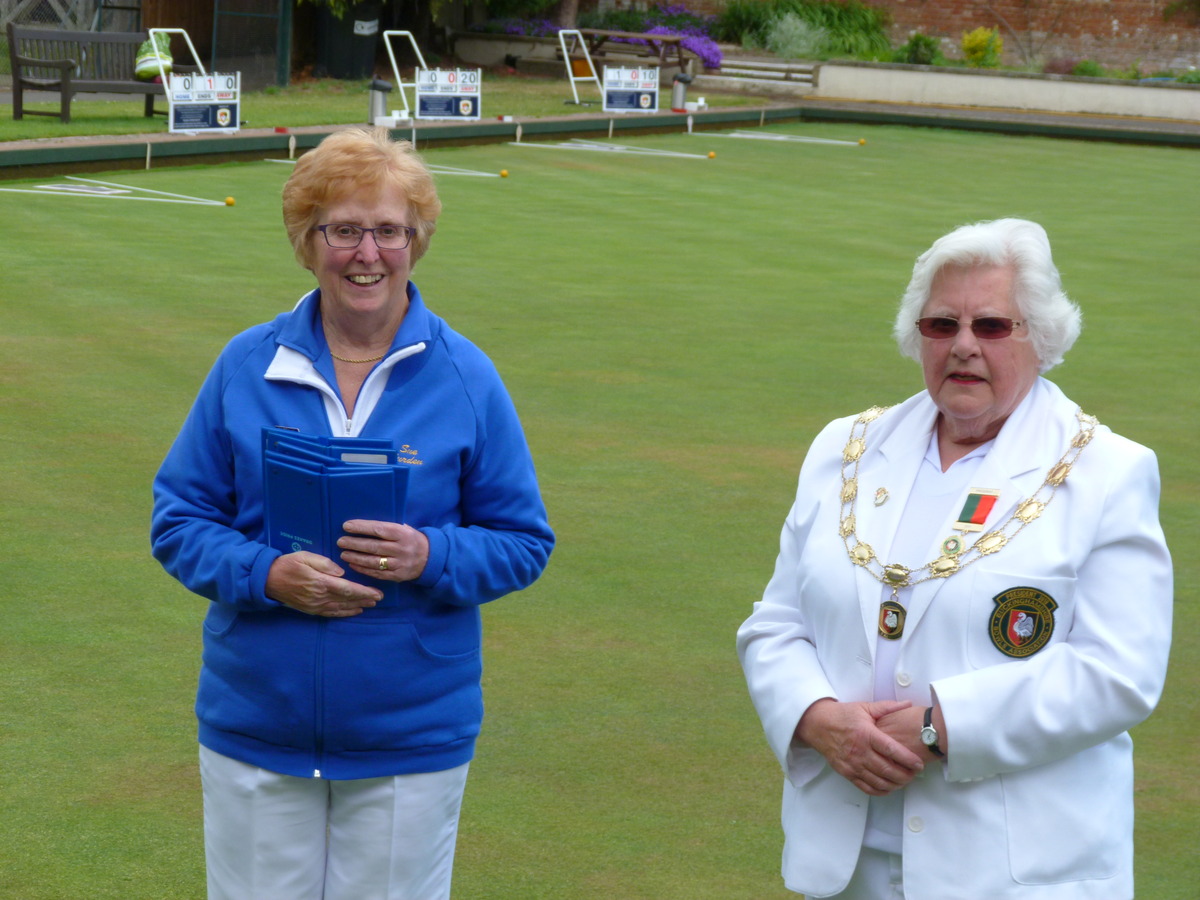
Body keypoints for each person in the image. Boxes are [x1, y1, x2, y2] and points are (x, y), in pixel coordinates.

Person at [151, 126, 554, 900]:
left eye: (390, 230)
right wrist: (267, 572)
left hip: (410, 734)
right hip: (257, 727)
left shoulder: (467, 376)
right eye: (343, 230)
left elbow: (522, 540)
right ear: (307, 243)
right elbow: (179, 520)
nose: (368, 253)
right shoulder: (246, 364)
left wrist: (428, 557)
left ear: (417, 241)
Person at [737, 218, 1172, 899]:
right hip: (846, 865)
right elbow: (775, 625)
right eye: (942, 325)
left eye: (992, 326)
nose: (964, 345)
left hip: (1015, 876)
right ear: (918, 337)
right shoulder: (843, 449)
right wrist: (816, 717)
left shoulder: (1108, 472)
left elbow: (1119, 672)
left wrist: (944, 728)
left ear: (1042, 335)